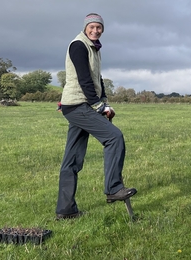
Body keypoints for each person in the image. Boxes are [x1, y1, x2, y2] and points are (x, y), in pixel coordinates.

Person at [55, 13, 137, 220]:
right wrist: (99, 106)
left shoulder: (94, 48)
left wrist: (105, 102)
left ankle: (65, 210)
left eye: (99, 27)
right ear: (85, 27)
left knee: (71, 160)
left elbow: (96, 78)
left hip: (80, 106)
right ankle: (113, 188)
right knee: (114, 137)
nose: (95, 30)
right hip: (77, 106)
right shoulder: (78, 45)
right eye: (92, 27)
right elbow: (84, 79)